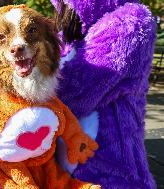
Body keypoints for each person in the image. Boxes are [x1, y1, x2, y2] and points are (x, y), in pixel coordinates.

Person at [51, 0, 157, 188]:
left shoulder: (130, 21)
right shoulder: (66, 36)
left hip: (110, 170)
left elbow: (77, 92)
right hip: (61, 167)